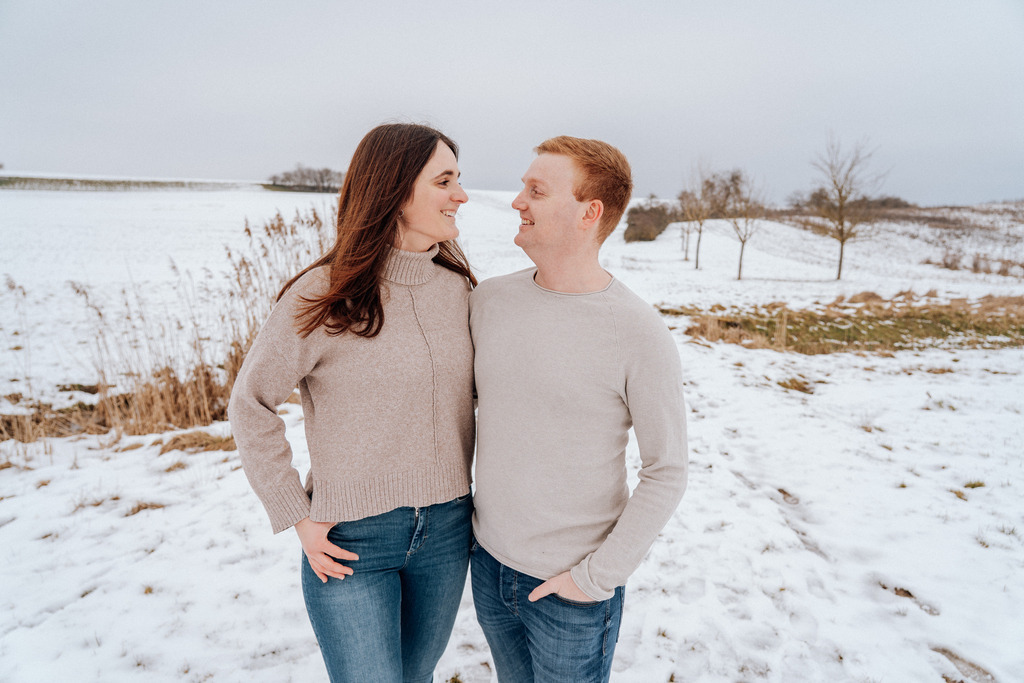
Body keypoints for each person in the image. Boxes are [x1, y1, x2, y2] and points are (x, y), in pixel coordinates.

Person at [228, 123, 477, 683]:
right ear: (394, 189)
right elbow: (251, 403)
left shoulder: (459, 290)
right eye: (444, 180)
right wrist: (293, 513)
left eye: (459, 180)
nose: (461, 195)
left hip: (447, 531)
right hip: (352, 540)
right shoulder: (323, 293)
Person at [469, 136, 689, 682]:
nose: (517, 201)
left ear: (589, 212)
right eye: (523, 187)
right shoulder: (487, 302)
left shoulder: (638, 332)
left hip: (572, 590)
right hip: (489, 566)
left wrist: (596, 579)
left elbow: (668, 470)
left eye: (536, 190)